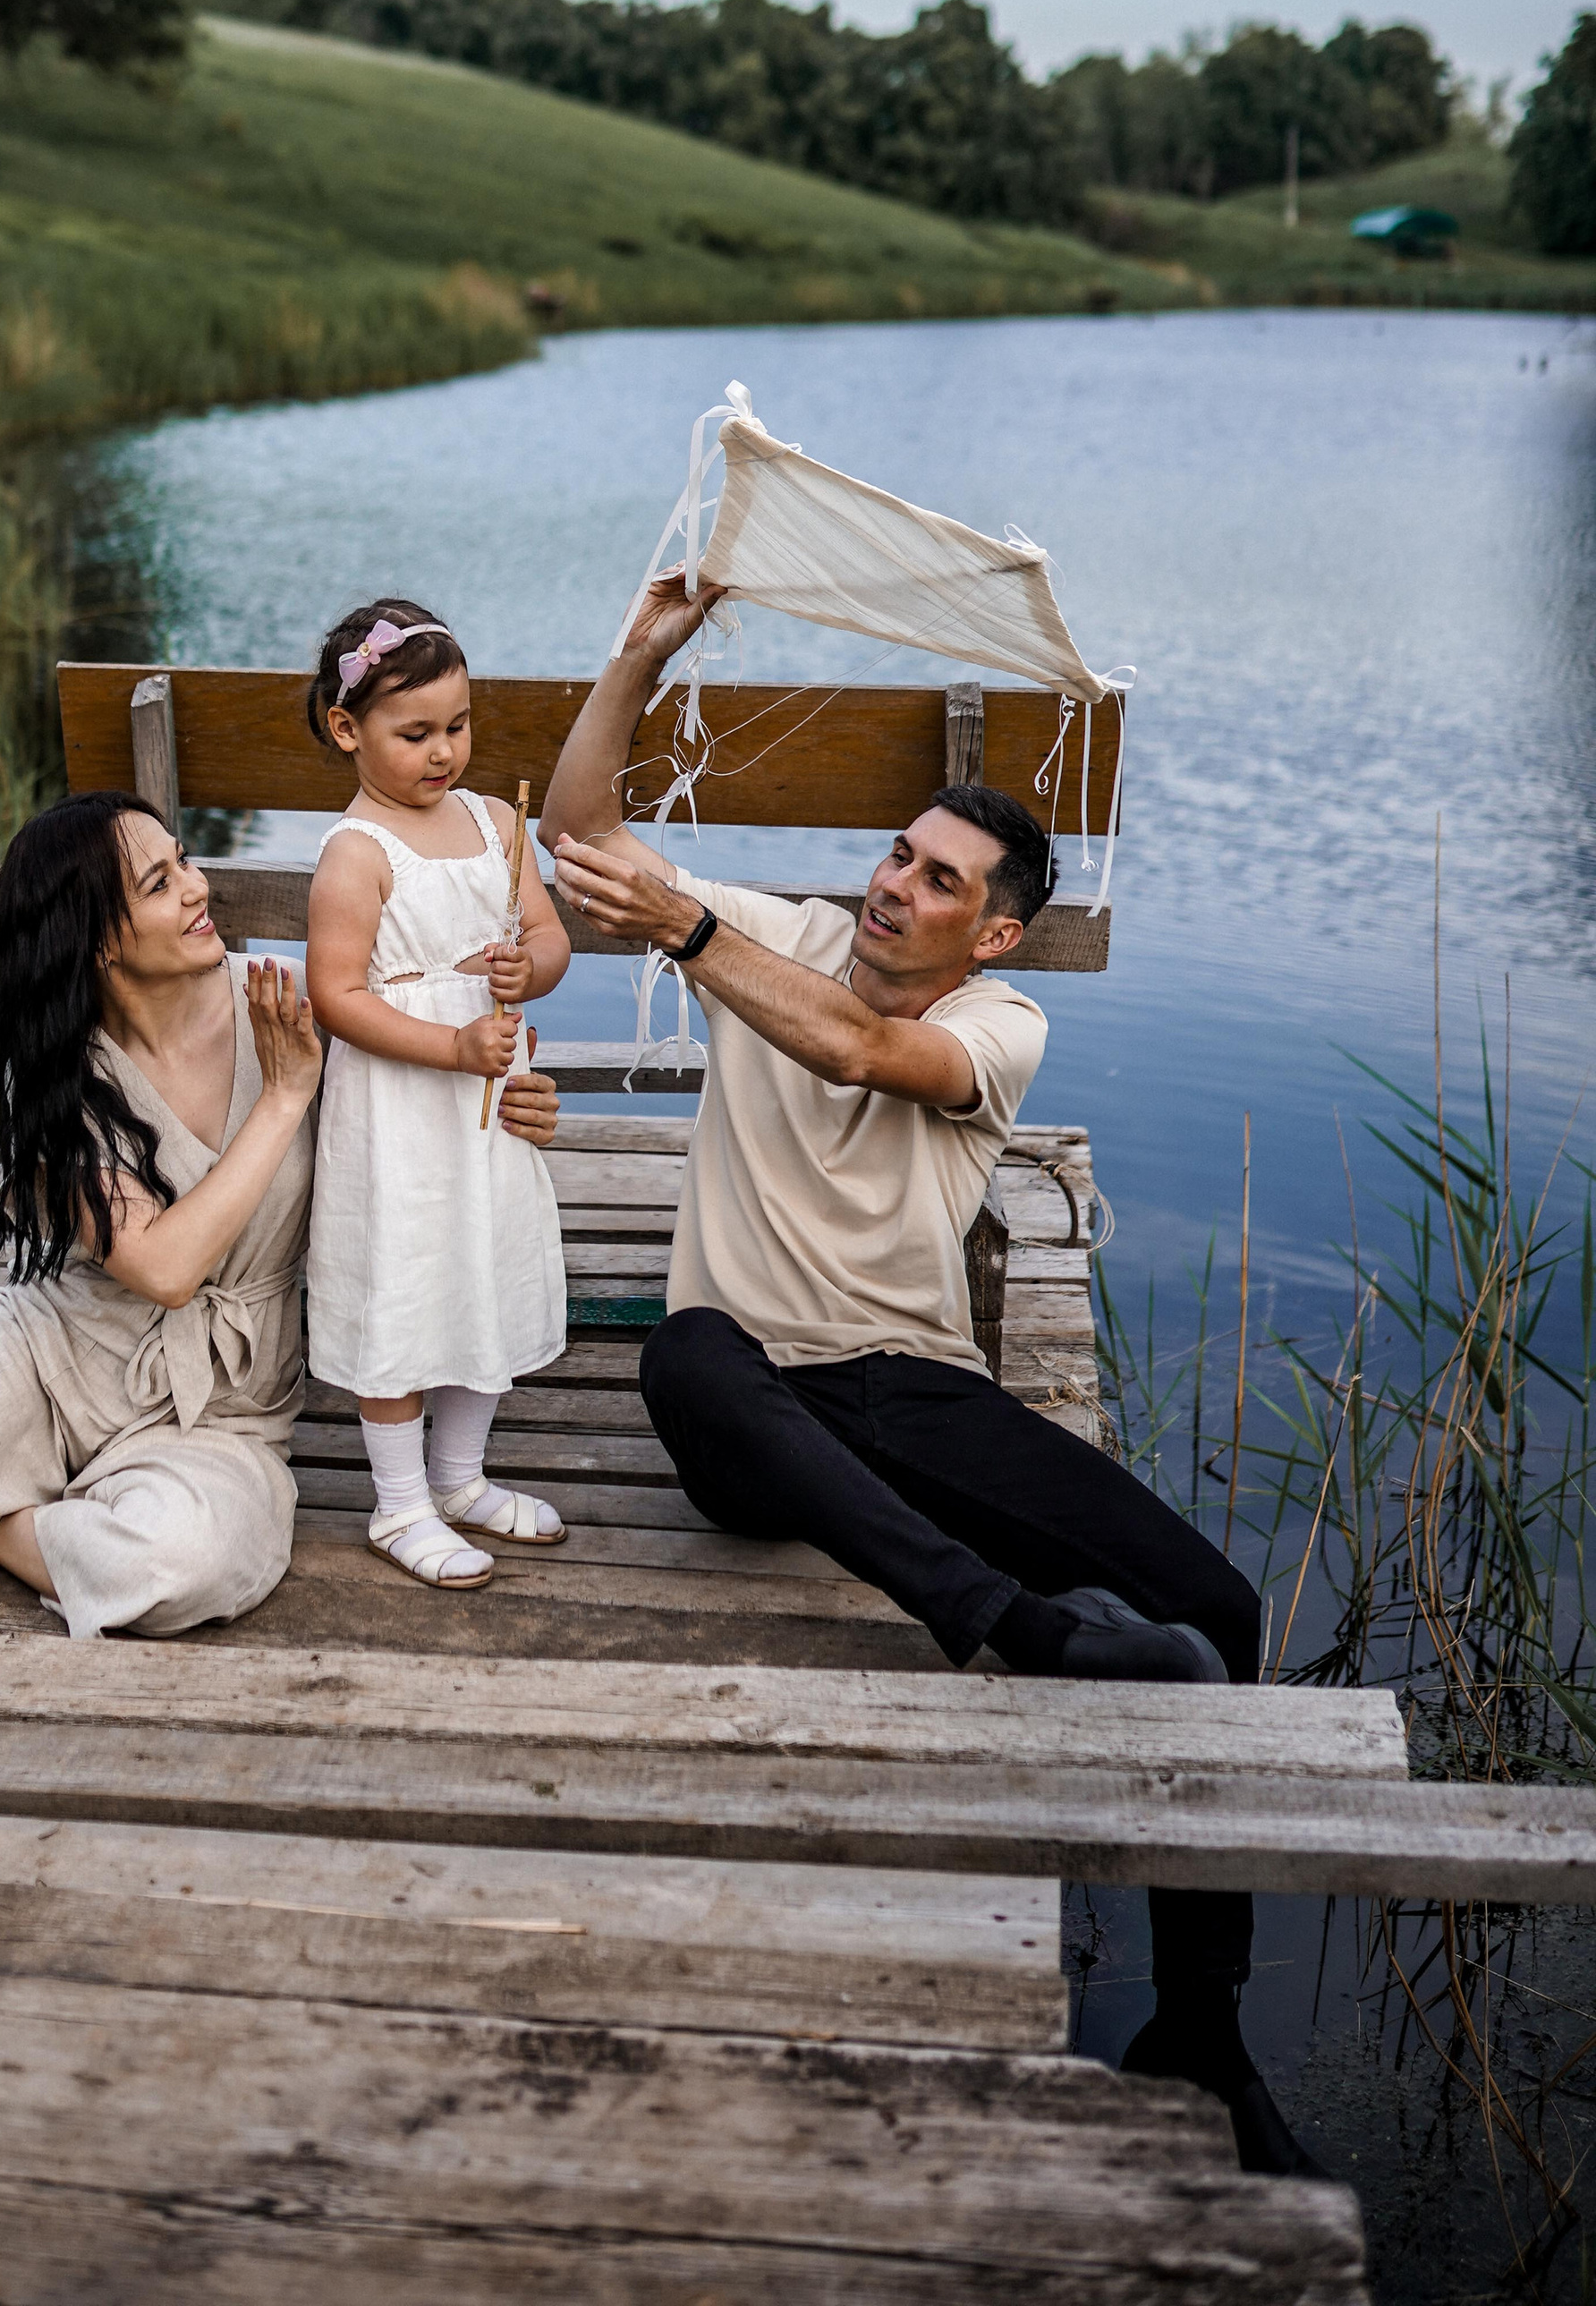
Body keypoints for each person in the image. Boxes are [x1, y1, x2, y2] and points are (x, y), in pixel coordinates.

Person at [540, 573, 1316, 2180]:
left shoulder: (1001, 1022)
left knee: (1221, 1612)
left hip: (905, 1388)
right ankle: (1011, 1627)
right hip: (749, 1393)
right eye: (897, 853)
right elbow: (581, 833)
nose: (896, 886)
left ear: (997, 925)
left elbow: (856, 1052)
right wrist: (635, 658)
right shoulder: (789, 931)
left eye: (939, 877)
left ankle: (1202, 2025)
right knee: (685, 1354)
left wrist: (692, 934)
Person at [0, 789, 562, 1636]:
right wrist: (284, 1103)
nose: (199, 889)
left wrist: (518, 1108)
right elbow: (162, 1271)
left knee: (188, 1567)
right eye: (161, 883)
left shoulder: (285, 1009)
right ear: (100, 940)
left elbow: (433, 1119)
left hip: (225, 1411)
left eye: (185, 860)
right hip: (52, 1365)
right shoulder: (55, 1078)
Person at [302, 599, 574, 1588]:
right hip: (402, 1111)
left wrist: (525, 969)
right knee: (407, 1281)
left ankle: (460, 1478)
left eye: (456, 727)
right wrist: (452, 1044)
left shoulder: (498, 821)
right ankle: (399, 1504)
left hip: (486, 1102)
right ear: (348, 731)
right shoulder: (356, 854)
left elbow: (549, 939)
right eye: (414, 733)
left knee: (481, 1265)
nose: (442, 752)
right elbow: (334, 998)